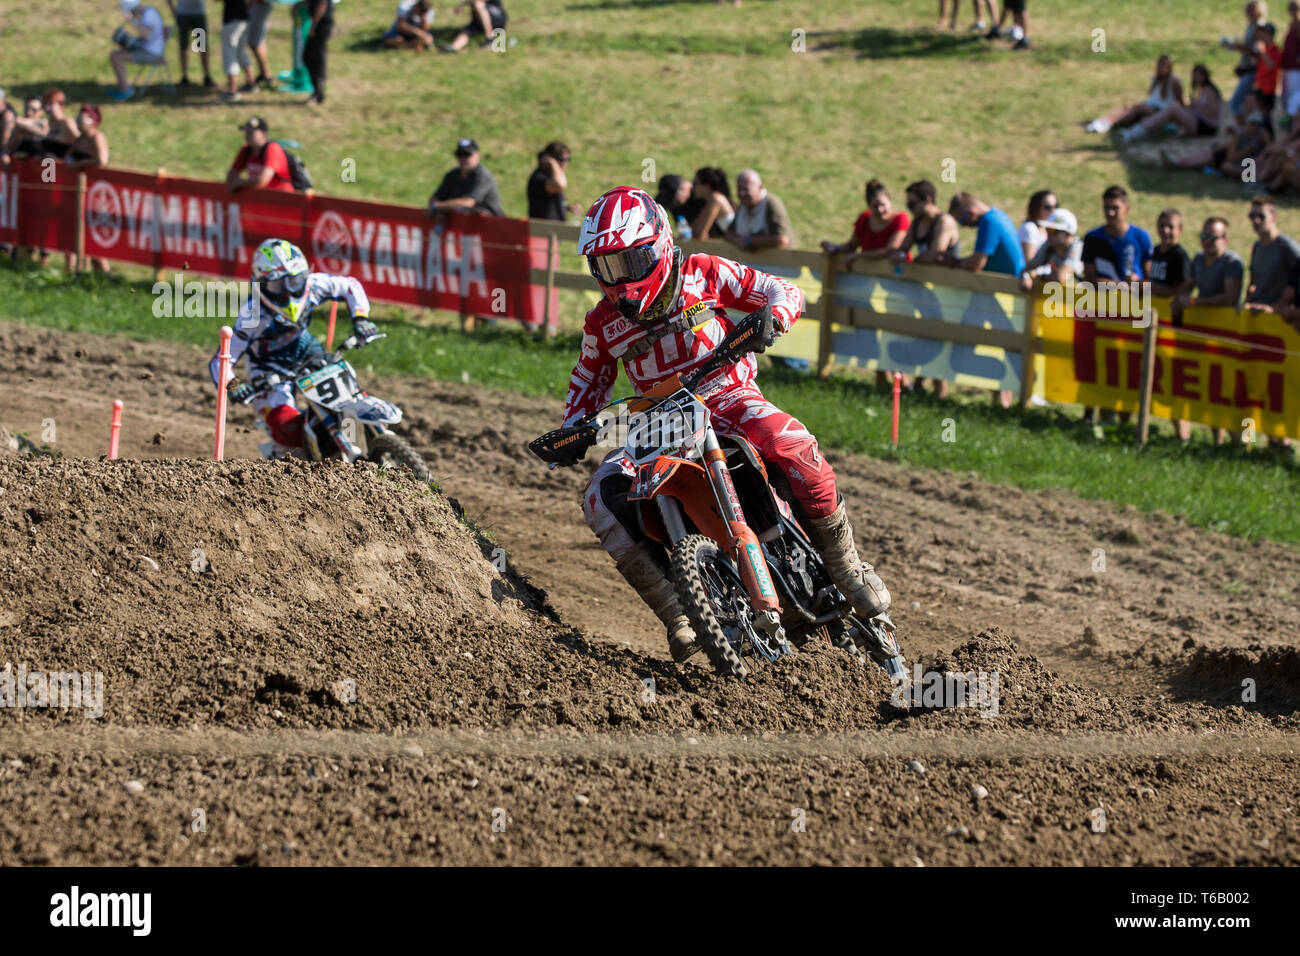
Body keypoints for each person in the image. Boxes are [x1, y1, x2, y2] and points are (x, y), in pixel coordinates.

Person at [562, 185, 891, 663]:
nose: (620, 281)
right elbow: (587, 381)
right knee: (599, 497)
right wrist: (573, 428)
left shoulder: (703, 273)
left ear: (658, 247)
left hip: (728, 397)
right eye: (607, 267)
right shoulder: (601, 323)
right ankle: (679, 611)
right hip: (654, 426)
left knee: (791, 441)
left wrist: (771, 318)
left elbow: (785, 290)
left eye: (629, 263)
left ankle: (847, 569)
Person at [210, 238, 380, 456]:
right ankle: (297, 460)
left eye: (295, 281)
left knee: (345, 400)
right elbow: (222, 360)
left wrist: (361, 319)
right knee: (286, 428)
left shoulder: (314, 286)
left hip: (305, 349)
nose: (289, 292)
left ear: (304, 275)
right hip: (268, 367)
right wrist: (234, 387)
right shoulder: (252, 315)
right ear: (261, 285)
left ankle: (360, 437)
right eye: (278, 286)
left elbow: (350, 286)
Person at [1160, 104, 1270, 177]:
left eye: (1257, 124)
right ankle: (1178, 162)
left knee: (1209, 156)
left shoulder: (1261, 134)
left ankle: (1177, 162)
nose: (1254, 127)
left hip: (1241, 163)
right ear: (1247, 124)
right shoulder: (1239, 135)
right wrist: (1246, 151)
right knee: (1206, 156)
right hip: (1227, 157)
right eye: (1252, 124)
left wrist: (1261, 155)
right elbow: (1231, 157)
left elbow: (1269, 148)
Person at [1122, 63, 1223, 142]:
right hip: (1200, 124)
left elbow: (1212, 112)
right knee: (1171, 111)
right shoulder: (1202, 90)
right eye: (1195, 74)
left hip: (1207, 128)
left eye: (1199, 75)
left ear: (1205, 75)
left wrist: (1196, 105)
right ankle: (1141, 130)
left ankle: (1137, 131)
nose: (1197, 77)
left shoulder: (1209, 90)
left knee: (1173, 109)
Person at [1085, 54, 1183, 133]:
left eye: (1164, 66)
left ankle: (1109, 124)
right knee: (1128, 107)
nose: (1161, 68)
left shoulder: (1174, 81)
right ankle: (1101, 120)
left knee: (1137, 109)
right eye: (1160, 65)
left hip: (1161, 111)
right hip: (1150, 106)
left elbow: (1179, 101)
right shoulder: (1155, 79)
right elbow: (1152, 98)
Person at [820, 179, 910, 262]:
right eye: (875, 206)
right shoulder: (865, 218)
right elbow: (852, 245)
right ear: (869, 206)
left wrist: (858, 256)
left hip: (898, 273)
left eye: (883, 205)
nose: (880, 209)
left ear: (890, 201)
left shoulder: (901, 219)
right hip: (869, 274)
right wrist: (835, 248)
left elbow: (890, 250)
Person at [1081, 185, 1154, 285]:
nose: (1110, 213)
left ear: (1127, 209)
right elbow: (1089, 278)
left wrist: (1137, 282)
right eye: (1107, 208)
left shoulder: (1141, 236)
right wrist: (1116, 285)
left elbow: (1151, 279)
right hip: (1101, 297)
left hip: (1134, 298)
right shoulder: (1092, 237)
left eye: (1115, 208)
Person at [948, 191, 1026, 276]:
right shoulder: (998, 214)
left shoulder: (988, 222)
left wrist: (955, 263)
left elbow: (976, 264)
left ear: (971, 213)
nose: (965, 227)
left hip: (1007, 284)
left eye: (963, 222)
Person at [1244, 196, 1300, 310]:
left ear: (1274, 218)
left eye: (1261, 216)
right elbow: (1253, 282)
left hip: (1279, 317)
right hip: (1256, 311)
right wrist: (1247, 301)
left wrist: (1275, 307)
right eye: (1252, 216)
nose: (1256, 221)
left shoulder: (1287, 246)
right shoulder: (1257, 246)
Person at [426, 137, 505, 217]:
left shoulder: (483, 176)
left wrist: (437, 207)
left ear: (477, 155)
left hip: (493, 225)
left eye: (467, 154)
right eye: (460, 155)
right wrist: (438, 209)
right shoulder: (452, 175)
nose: (463, 159)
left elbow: (467, 203)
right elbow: (435, 198)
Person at [109, 0, 168, 102]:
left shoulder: (148, 15)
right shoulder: (148, 12)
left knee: (116, 57)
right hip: (147, 49)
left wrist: (135, 20)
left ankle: (125, 90)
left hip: (152, 53)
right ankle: (121, 86)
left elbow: (144, 35)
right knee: (116, 54)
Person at [893, 179, 961, 265]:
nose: (910, 208)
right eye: (908, 205)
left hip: (948, 277)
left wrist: (912, 261)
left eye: (912, 204)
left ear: (927, 200)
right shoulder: (917, 222)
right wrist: (899, 255)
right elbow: (902, 250)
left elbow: (934, 256)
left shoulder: (945, 221)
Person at [726, 169, 795, 253]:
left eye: (746, 189)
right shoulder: (743, 205)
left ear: (760, 188)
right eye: (739, 189)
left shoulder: (771, 203)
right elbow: (729, 233)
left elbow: (782, 239)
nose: (741, 194)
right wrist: (738, 241)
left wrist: (750, 241)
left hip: (779, 262)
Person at [1223, 1, 1269, 117]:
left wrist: (1238, 47)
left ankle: (1247, 128)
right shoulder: (1251, 25)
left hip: (1253, 69)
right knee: (1247, 102)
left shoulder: (1259, 26)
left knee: (1236, 102)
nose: (1250, 11)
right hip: (1248, 68)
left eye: (1253, 8)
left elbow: (1256, 51)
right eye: (1249, 8)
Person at [225, 116, 294, 193]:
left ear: (263, 134)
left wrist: (240, 183)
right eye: (246, 132)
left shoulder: (272, 149)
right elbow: (230, 176)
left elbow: (261, 181)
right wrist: (244, 182)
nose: (247, 136)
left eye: (251, 133)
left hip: (280, 199)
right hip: (259, 199)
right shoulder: (246, 150)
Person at [1018, 207, 1082, 290]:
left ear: (1068, 234)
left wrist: (1035, 275)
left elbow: (1060, 277)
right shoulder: (1049, 245)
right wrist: (1026, 276)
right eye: (1047, 229)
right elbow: (1029, 268)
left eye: (1053, 231)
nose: (1049, 234)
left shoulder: (1078, 248)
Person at [527, 141, 580, 221]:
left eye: (568, 159)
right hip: (542, 230)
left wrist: (567, 206)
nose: (565, 163)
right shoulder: (539, 177)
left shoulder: (551, 177)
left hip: (554, 229)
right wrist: (553, 164)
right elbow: (560, 185)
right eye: (561, 159)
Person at [167, 0, 215, 88]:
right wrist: (173, 11)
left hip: (198, 14)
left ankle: (207, 76)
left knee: (202, 46)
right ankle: (184, 77)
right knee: (183, 47)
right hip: (183, 14)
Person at [1148, 208, 1191, 298]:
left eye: (1171, 227)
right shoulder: (1155, 251)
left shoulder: (1180, 256)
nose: (1165, 230)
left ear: (1180, 229)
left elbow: (1182, 290)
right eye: (1162, 226)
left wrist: (1151, 287)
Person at [220, 0, 256, 104]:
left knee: (230, 54)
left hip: (233, 19)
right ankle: (251, 83)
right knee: (240, 51)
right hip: (243, 18)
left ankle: (232, 90)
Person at [303, 0, 337, 106]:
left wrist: (314, 24)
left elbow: (322, 3)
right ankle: (316, 90)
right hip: (319, 22)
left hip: (321, 24)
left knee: (316, 59)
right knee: (309, 56)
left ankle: (319, 94)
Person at [439, 1, 507, 53]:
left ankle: (489, 39)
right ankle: (454, 47)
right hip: (479, 20)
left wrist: (463, 2)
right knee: (466, 31)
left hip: (497, 17)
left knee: (478, 4)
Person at [688, 167, 734, 240]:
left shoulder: (716, 199)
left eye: (695, 183)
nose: (693, 188)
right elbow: (693, 229)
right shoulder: (711, 200)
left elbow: (699, 234)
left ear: (706, 186)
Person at [1253, 21, 1282, 133]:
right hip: (1260, 85)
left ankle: (1269, 137)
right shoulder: (1264, 49)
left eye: (1265, 33)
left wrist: (1262, 51)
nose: (1262, 35)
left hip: (1269, 88)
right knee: (1259, 114)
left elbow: (1271, 66)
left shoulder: (1275, 50)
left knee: (1266, 116)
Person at [1018, 189, 1057, 267]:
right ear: (1036, 208)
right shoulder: (1029, 228)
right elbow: (1029, 263)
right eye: (1048, 207)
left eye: (1056, 206)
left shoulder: (1048, 228)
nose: (1053, 211)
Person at [246, 0, 275, 86]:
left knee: (255, 42)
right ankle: (265, 73)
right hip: (261, 5)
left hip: (260, 4)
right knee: (258, 41)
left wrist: (250, 4)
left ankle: (266, 74)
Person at [1282, 1, 1300, 120]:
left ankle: (1294, 125)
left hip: (1295, 68)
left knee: (1293, 98)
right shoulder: (1292, 25)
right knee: (1287, 97)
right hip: (1288, 66)